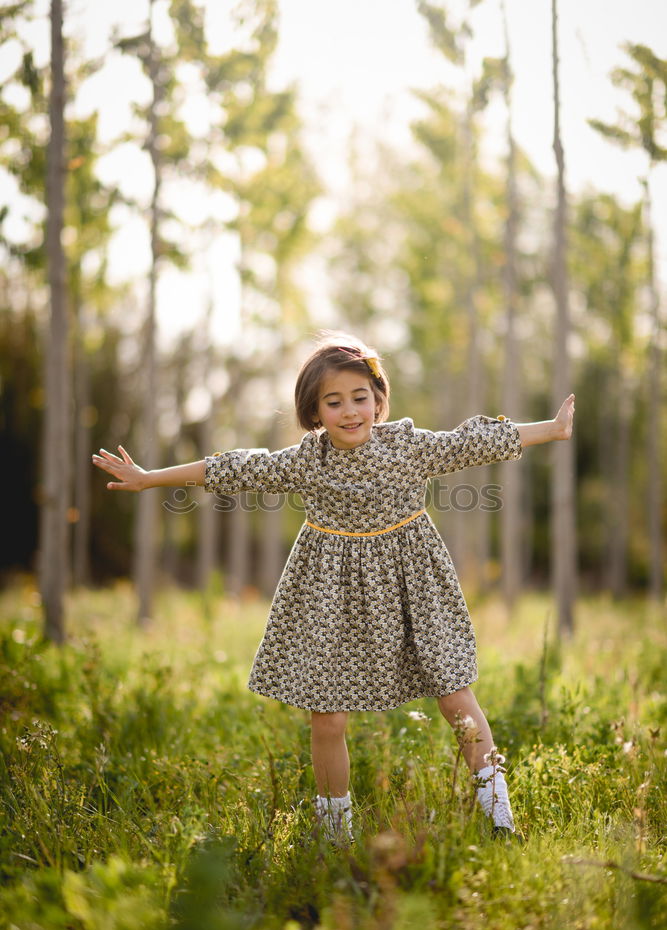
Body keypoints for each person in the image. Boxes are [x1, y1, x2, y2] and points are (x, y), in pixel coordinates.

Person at [92, 331, 575, 844]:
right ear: (314, 411)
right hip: (329, 593)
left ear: (379, 401)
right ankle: (334, 834)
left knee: (456, 697)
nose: (350, 412)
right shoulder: (308, 460)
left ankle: (498, 813)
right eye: (334, 401)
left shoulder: (407, 446)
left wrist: (552, 428)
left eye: (360, 398)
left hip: (415, 584)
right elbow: (232, 467)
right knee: (327, 716)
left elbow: (472, 442)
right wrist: (148, 478)